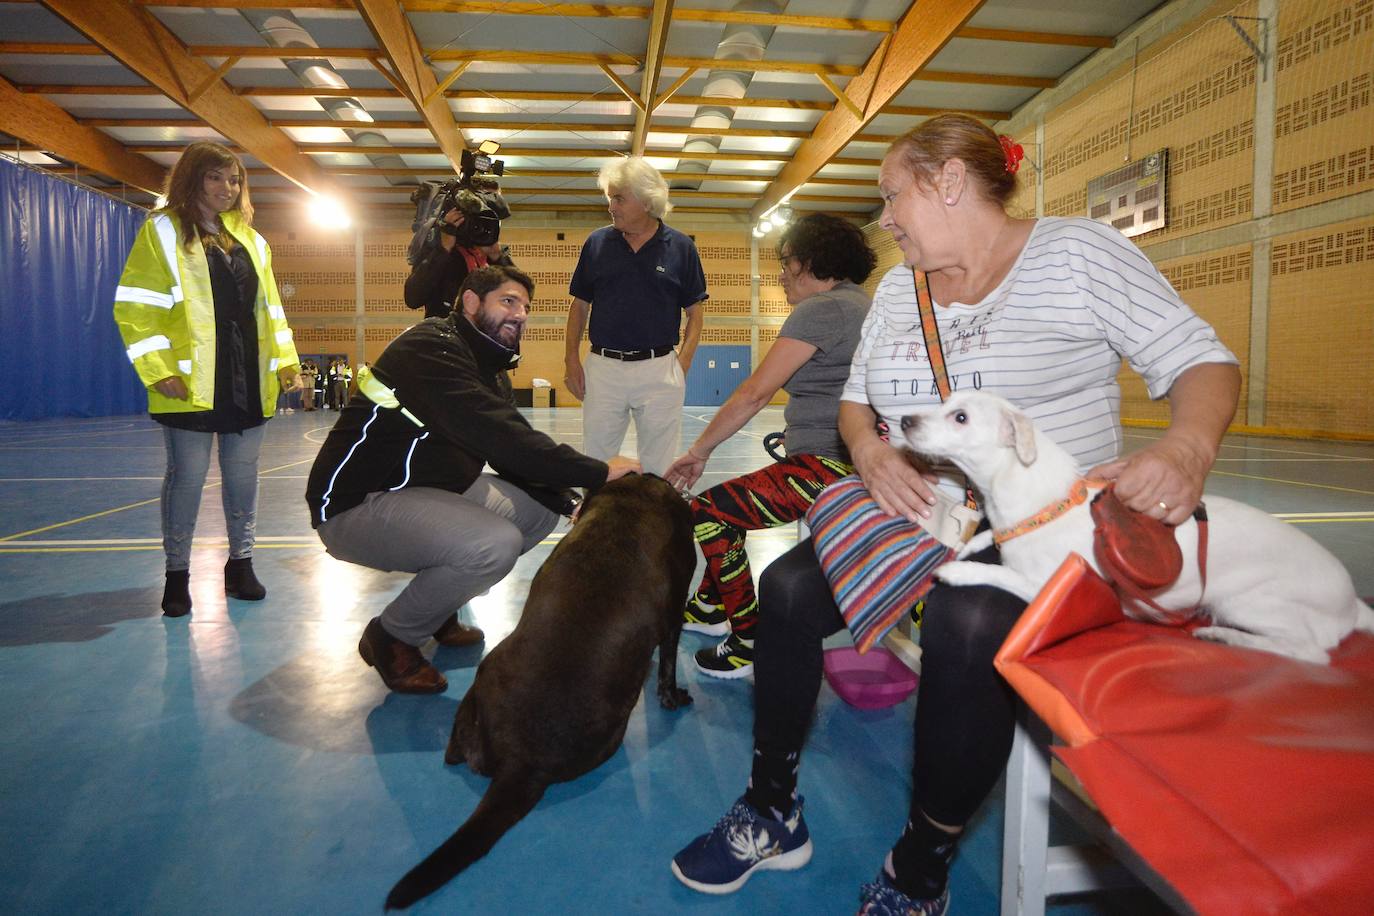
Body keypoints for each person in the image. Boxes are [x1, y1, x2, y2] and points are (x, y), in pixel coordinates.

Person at [670, 114, 1241, 913]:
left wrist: (1185, 450)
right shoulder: (901, 290)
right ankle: (773, 807)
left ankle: (922, 864)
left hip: (1048, 524)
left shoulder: (1074, 253)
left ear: (947, 183)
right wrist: (869, 452)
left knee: (966, 623)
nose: (885, 219)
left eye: (892, 196)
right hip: (927, 509)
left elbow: (1200, 360)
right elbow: (857, 404)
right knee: (793, 589)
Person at [305, 265, 640, 694]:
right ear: (470, 302)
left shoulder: (488, 366)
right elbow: (501, 435)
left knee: (537, 514)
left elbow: (512, 450)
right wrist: (598, 471)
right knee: (492, 545)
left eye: (526, 306)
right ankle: (391, 636)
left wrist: (570, 500)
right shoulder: (430, 347)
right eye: (508, 301)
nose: (520, 314)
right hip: (357, 504)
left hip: (423, 491)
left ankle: (438, 607)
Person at [663, 213, 876, 679]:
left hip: (827, 468)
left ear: (812, 262)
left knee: (711, 513)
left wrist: (699, 450)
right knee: (730, 508)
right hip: (843, 458)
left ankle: (748, 639)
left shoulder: (822, 310)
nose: (780, 274)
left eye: (786, 262)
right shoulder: (861, 304)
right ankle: (705, 608)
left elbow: (754, 393)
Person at [113, 140, 302, 618]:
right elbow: (135, 308)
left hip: (247, 378)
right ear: (193, 179)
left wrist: (286, 362)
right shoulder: (161, 230)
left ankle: (241, 567)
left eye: (234, 179)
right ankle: (177, 576)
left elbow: (270, 311)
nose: (227, 187)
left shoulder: (253, 240)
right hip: (191, 379)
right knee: (187, 480)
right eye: (216, 177)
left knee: (243, 478)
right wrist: (158, 371)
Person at [563, 157, 708, 476]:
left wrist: (682, 363)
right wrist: (571, 360)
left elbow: (695, 313)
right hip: (603, 369)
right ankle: (598, 523)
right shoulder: (597, 243)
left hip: (660, 370)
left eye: (619, 198)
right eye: (610, 197)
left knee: (661, 466)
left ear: (646, 200)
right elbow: (579, 306)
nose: (611, 206)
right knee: (598, 463)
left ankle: (658, 524)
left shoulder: (681, 247)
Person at [404, 176, 509, 319]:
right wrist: (444, 248)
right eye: (484, 207)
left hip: (488, 337)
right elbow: (413, 298)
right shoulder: (442, 250)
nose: (488, 216)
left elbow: (520, 295)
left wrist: (497, 257)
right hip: (450, 338)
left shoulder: (494, 255)